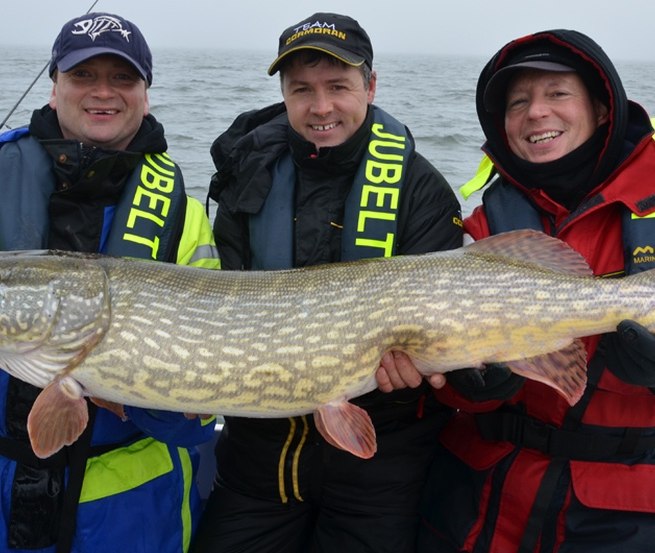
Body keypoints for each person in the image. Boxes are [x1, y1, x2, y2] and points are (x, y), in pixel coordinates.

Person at [192, 12, 462, 553]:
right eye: (302, 90)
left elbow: (449, 324)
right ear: (285, 95)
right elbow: (228, 306)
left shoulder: (421, 188)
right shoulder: (247, 177)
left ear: (371, 85)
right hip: (257, 465)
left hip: (380, 468)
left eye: (338, 86)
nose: (321, 107)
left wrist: (427, 366)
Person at [410, 29, 655, 552]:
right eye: (518, 102)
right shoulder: (481, 227)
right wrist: (469, 389)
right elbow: (434, 360)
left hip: (619, 516)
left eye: (557, 94)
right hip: (480, 504)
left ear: (603, 107)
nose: (536, 113)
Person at [0, 12, 220, 553]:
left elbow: (204, 413)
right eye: (83, 77)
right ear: (54, 88)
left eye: (122, 78)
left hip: (133, 506)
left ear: (145, 93)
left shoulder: (186, 219)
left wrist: (140, 394)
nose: (103, 93)